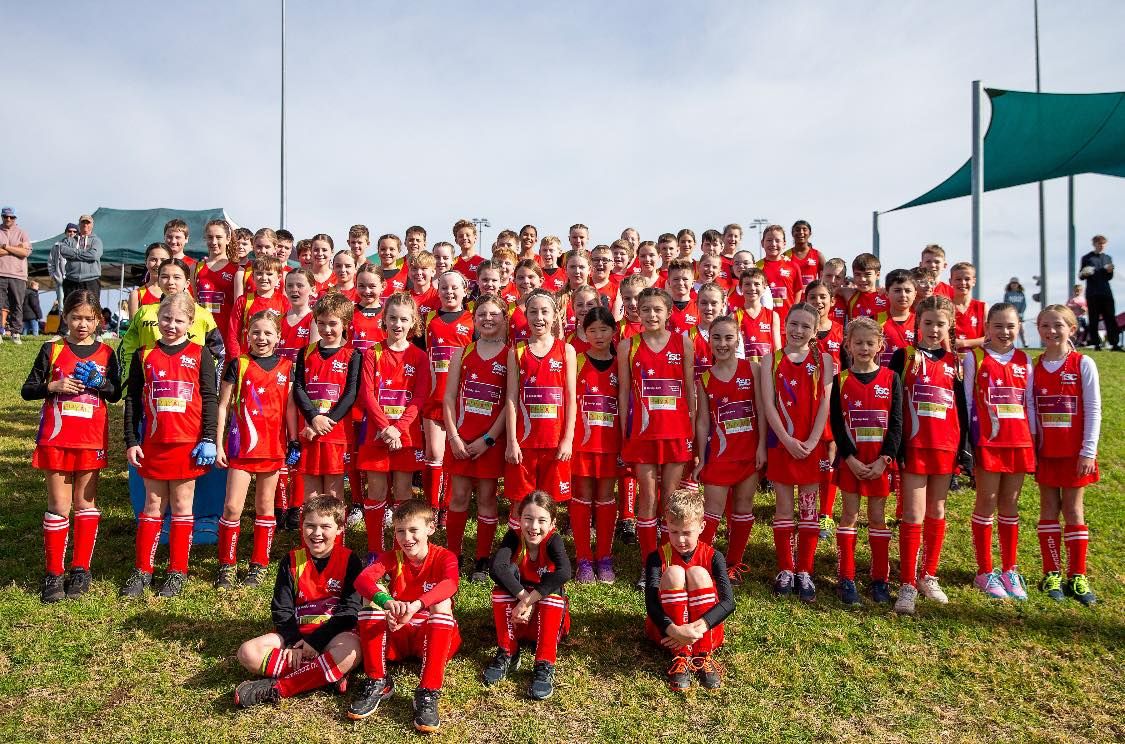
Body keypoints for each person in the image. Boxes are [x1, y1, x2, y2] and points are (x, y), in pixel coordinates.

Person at [21, 290, 122, 602]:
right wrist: (54, 385)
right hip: (56, 438)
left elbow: (115, 393)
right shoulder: (52, 349)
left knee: (86, 504)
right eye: (76, 317)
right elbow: (28, 390)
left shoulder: (106, 353)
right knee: (59, 506)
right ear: (65, 317)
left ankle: (81, 570)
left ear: (98, 320)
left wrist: (99, 382)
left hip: (91, 438)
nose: (82, 324)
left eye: (89, 318)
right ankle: (54, 574)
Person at [121, 293, 219, 598]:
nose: (171, 325)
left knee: (181, 507)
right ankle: (143, 571)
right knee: (152, 507)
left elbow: (210, 398)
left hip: (187, 446)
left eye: (179, 320)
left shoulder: (201, 353)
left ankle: (177, 572)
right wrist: (131, 440)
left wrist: (209, 437)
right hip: (154, 444)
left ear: (191, 323)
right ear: (156, 320)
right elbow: (132, 400)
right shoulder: (144, 354)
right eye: (166, 319)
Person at [232, 494, 364, 708]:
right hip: (297, 636)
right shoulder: (291, 561)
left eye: (325, 526)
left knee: (352, 649)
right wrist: (293, 642)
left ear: (340, 528)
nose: (317, 533)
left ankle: (279, 688)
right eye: (310, 526)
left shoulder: (350, 560)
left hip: (332, 637)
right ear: (302, 526)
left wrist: (317, 641)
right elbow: (281, 609)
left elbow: (350, 611)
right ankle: (325, 674)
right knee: (248, 653)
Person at [349, 500, 461, 733]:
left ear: (430, 528)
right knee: (372, 596)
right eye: (400, 531)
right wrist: (388, 603)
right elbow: (362, 580)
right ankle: (378, 680)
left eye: (413, 530)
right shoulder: (392, 557)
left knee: (442, 603)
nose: (406, 538)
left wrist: (416, 605)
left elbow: (450, 584)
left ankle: (428, 691)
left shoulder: (444, 557)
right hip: (400, 632)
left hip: (431, 634)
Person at [890, 295, 971, 614]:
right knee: (912, 515)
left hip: (945, 448)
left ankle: (928, 575)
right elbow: (894, 405)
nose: (934, 329)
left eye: (940, 323)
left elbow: (962, 410)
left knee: (936, 512)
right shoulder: (904, 357)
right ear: (917, 323)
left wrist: (964, 452)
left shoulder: (957, 363)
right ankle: (907, 583)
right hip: (914, 447)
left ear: (949, 325)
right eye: (928, 323)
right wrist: (896, 446)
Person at [214, 311, 296, 590]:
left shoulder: (287, 367)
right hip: (241, 448)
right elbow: (223, 406)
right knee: (232, 506)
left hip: (272, 448)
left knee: (264, 508)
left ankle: (258, 565)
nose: (261, 338)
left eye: (267, 333)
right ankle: (226, 564)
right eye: (255, 333)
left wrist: (293, 441)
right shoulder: (238, 364)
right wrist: (217, 443)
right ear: (247, 335)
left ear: (278, 337)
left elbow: (290, 409)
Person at [619, 287, 696, 584]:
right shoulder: (629, 345)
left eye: (657, 310)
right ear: (638, 310)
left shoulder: (683, 343)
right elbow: (624, 393)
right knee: (648, 498)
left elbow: (690, 389)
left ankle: (671, 559)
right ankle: (649, 564)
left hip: (675, 432)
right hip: (642, 434)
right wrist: (625, 434)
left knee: (671, 498)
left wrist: (691, 429)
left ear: (668, 313)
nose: (651, 315)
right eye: (646, 309)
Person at [964, 303, 1035, 600]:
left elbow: (1029, 404)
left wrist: (1034, 440)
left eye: (1010, 326)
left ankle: (1009, 568)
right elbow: (968, 402)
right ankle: (985, 570)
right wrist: (969, 445)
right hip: (988, 443)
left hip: (1018, 442)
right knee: (987, 502)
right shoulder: (974, 358)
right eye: (998, 326)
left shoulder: (1025, 360)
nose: (1004, 332)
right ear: (987, 328)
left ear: (1018, 327)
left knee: (1010, 504)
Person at [761, 303, 832, 602]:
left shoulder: (825, 359)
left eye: (805, 326)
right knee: (783, 508)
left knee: (809, 508)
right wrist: (786, 440)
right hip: (782, 444)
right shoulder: (770, 360)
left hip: (811, 445)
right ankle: (786, 569)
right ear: (784, 324)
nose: (798, 330)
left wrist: (814, 440)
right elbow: (768, 404)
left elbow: (826, 403)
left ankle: (805, 569)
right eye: (794, 323)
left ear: (815, 331)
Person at [829, 317, 902, 607]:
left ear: (880, 346)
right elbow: (836, 423)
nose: (863, 347)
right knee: (848, 516)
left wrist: (885, 460)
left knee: (877, 518)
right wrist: (849, 457)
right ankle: (846, 577)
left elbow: (896, 422)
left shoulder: (890, 378)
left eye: (869, 343)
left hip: (879, 463)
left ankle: (879, 579)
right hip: (853, 463)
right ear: (847, 345)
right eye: (857, 342)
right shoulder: (841, 380)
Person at [1031, 305, 1100, 605]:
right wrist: (1033, 446)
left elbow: (1094, 409)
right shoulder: (1034, 366)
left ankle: (1078, 575)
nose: (1051, 331)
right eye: (1045, 325)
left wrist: (1088, 451)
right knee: (1048, 507)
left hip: (1075, 453)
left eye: (1058, 325)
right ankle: (1052, 573)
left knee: (1073, 510)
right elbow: (1031, 409)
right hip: (1047, 452)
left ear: (1072, 329)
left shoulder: (1083, 363)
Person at [693, 314, 765, 582]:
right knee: (711, 511)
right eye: (716, 337)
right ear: (709, 340)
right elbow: (702, 421)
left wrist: (761, 448)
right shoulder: (705, 379)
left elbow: (761, 410)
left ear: (738, 340)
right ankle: (701, 562)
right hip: (719, 456)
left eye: (728, 337)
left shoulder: (753, 370)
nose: (722, 343)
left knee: (743, 509)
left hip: (748, 453)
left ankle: (734, 564)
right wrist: (701, 459)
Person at [357, 293, 431, 556]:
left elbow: (420, 397)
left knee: (403, 492)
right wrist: (385, 427)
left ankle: (402, 552)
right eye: (392, 318)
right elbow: (367, 394)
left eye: (404, 319)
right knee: (376, 491)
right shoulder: (371, 353)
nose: (397, 324)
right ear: (384, 320)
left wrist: (398, 428)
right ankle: (376, 551)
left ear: (413, 323)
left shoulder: (419, 357)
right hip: (378, 434)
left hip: (406, 435)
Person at [443, 294, 509, 581]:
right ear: (474, 318)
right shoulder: (461, 352)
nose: (487, 319)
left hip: (489, 441)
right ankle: (453, 554)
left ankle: (482, 558)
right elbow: (448, 398)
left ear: (504, 318)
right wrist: (454, 438)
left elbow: (510, 402)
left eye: (494, 314)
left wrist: (490, 439)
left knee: (486, 497)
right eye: (481, 314)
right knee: (458, 497)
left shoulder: (510, 355)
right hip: (461, 438)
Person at [483, 491, 572, 699]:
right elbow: (497, 568)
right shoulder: (513, 537)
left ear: (552, 523)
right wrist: (524, 599)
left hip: (547, 618)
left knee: (553, 592)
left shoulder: (553, 540)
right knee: (501, 588)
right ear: (518, 519)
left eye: (542, 520)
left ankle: (544, 663)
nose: (533, 527)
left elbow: (564, 572)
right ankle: (508, 652)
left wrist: (529, 600)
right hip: (518, 617)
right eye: (528, 519)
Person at [644, 488, 733, 692]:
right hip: (667, 631)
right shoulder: (656, 557)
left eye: (687, 533)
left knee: (698, 574)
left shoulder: (714, 556)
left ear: (702, 527)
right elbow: (650, 603)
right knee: (674, 573)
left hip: (705, 632)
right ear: (666, 524)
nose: (680, 540)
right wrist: (675, 631)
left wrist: (697, 629)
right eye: (674, 532)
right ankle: (681, 656)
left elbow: (729, 602)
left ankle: (702, 655)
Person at [504, 289, 577, 514]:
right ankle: (520, 548)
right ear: (526, 316)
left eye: (544, 312)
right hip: (525, 441)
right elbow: (511, 398)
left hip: (554, 442)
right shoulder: (517, 351)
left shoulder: (566, 350)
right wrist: (512, 441)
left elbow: (571, 399)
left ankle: (545, 548)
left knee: (550, 503)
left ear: (555, 315)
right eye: (533, 312)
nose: (539, 317)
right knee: (520, 501)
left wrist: (567, 439)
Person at [570, 306, 623, 584]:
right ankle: (583, 559)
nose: (599, 335)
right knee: (582, 494)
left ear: (613, 331)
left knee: (605, 496)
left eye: (604, 329)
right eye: (592, 330)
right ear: (584, 332)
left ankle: (604, 557)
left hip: (610, 442)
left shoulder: (620, 362)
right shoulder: (576, 360)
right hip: (582, 442)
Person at [293, 291, 361, 502]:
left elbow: (351, 394)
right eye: (321, 323)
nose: (326, 329)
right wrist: (313, 418)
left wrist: (326, 421)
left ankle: (335, 535)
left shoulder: (353, 354)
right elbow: (298, 388)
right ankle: (311, 534)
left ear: (345, 323)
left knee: (333, 493)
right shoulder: (305, 352)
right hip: (309, 430)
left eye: (332, 323)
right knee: (311, 493)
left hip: (336, 433)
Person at [1079, 234, 1121, 351]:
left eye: (1103, 244)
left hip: (1106, 292)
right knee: (1093, 319)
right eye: (1099, 243)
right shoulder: (1087, 258)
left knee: (1110, 318)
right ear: (1094, 244)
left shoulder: (1108, 258)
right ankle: (1096, 344)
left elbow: (1109, 277)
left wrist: (1109, 271)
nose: (1101, 246)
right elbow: (1081, 276)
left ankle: (1115, 344)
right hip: (1093, 293)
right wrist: (1085, 273)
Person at [0, 206, 32, 343]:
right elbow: (20, 251)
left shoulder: (22, 233)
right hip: (0, 273)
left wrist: (5, 247)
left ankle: (16, 333)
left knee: (17, 304)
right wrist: (16, 248)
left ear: (15, 218)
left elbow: (25, 252)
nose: (8, 219)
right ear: (2, 217)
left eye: (11, 217)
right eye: (5, 216)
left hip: (18, 275)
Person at [59, 214, 103, 301]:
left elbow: (94, 255)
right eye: (83, 222)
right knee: (70, 310)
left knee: (91, 310)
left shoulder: (96, 241)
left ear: (92, 225)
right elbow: (63, 251)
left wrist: (74, 253)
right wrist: (85, 252)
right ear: (79, 224)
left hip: (91, 281)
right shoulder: (69, 240)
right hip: (71, 280)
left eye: (88, 223)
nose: (85, 225)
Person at [129, 243, 172, 318]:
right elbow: (133, 328)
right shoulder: (137, 294)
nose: (158, 264)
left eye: (163, 260)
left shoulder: (179, 292)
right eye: (153, 259)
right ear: (146, 262)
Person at [48, 223, 77, 315]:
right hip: (61, 280)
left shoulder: (80, 245)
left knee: (75, 304)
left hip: (75, 280)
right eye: (69, 231)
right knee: (62, 305)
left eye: (74, 231)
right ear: (65, 232)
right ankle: (64, 327)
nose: (72, 233)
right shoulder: (57, 246)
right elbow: (51, 261)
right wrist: (53, 275)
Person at [1003, 277, 1029, 348]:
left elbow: (1024, 304)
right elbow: (1006, 304)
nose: (1014, 285)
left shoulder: (1021, 294)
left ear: (1018, 284)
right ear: (1010, 284)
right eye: (1012, 283)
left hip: (1020, 316)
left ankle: (1025, 344)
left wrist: (1021, 313)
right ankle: (1011, 344)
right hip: (1011, 316)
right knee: (1011, 329)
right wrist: (1012, 313)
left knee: (1022, 330)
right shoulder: (1007, 294)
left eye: (1015, 283)